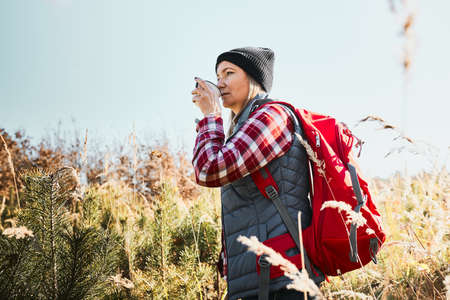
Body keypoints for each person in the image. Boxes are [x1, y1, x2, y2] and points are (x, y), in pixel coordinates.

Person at [191, 47, 323, 300]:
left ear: (254, 79)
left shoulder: (271, 117)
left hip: (283, 282)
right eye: (218, 76)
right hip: (258, 281)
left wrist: (211, 116)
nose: (220, 84)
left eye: (229, 73)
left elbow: (209, 170)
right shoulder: (241, 127)